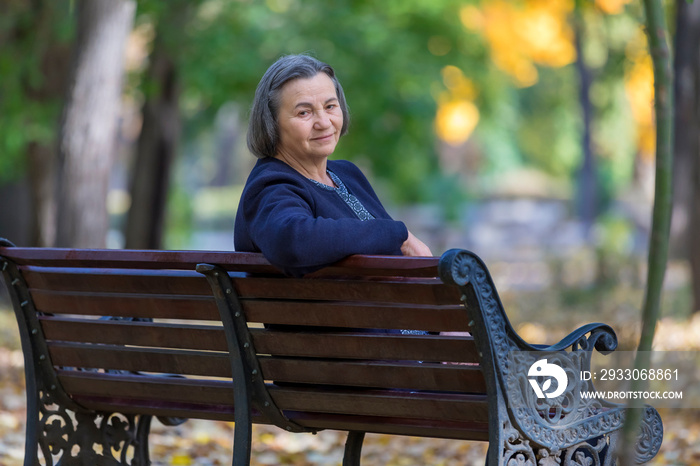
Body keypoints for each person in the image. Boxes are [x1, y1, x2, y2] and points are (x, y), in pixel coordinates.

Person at [234, 54, 431, 276]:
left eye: (330, 106)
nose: (324, 122)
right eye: (304, 112)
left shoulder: (347, 174)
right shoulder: (271, 186)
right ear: (271, 123)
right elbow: (292, 241)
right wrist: (398, 234)